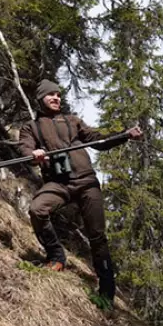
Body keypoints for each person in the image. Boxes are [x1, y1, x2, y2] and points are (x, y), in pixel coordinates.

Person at [18, 79, 142, 307]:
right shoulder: (31, 127)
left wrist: (124, 135)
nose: (56, 98)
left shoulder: (72, 121)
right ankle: (56, 256)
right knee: (37, 209)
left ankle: (106, 291)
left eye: (58, 94)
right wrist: (33, 153)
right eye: (51, 95)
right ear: (40, 99)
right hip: (58, 183)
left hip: (87, 183)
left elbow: (97, 140)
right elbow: (24, 147)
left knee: (97, 236)